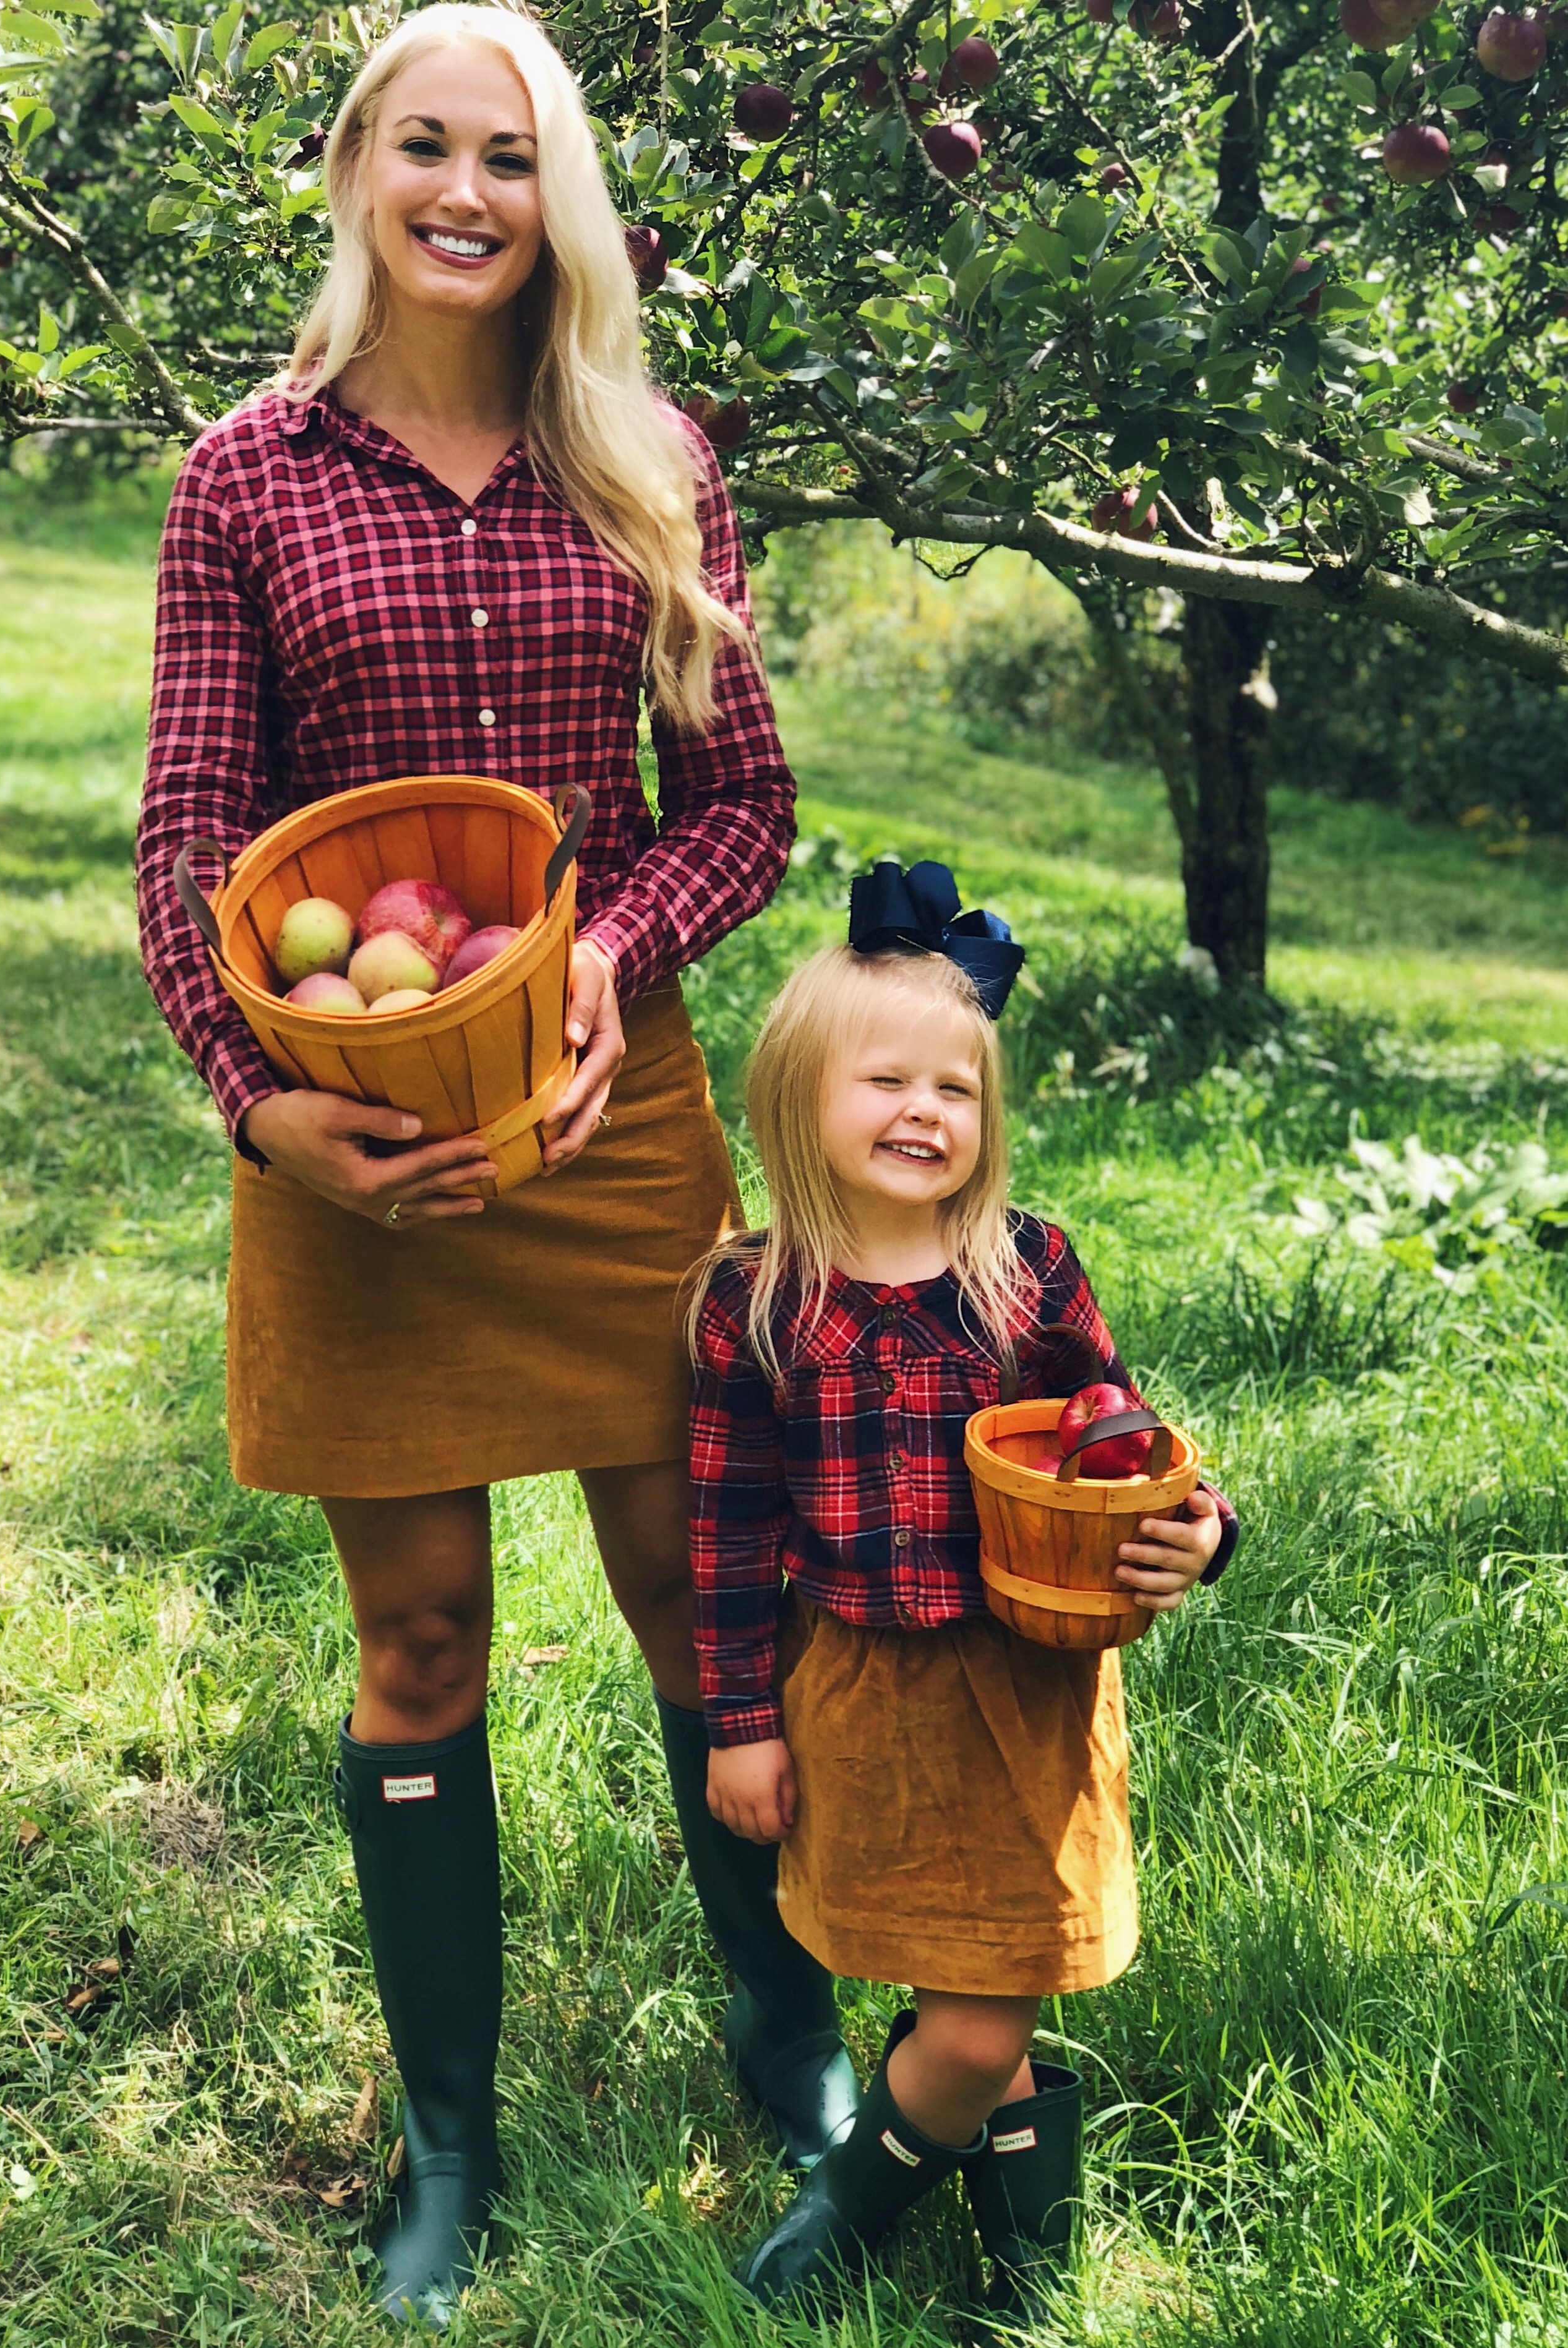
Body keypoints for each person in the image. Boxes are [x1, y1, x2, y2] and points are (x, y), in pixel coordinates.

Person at [134, 3, 857, 2328]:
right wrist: (267, 1112)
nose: (465, 190)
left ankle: (790, 2033)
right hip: (352, 1133)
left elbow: (735, 802)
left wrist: (608, 949)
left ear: (558, 198)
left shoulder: (646, 455)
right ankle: (446, 2140)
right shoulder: (243, 478)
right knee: (416, 1636)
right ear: (354, 169)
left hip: (601, 1109)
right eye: (424, 145)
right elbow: (183, 839)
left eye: (510, 154)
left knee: (700, 1604)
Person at [687, 863, 1240, 2320]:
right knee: (958, 1983)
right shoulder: (756, 1302)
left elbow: (1121, 1446)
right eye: (883, 1078)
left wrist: (1198, 1529)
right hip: (861, 1691)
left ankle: (841, 2210)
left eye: (956, 1086)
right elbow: (728, 1530)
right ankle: (1026, 2273)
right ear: (796, 1096)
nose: (924, 1109)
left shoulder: (1026, 1273)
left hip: (1030, 1689)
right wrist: (739, 1717)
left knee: (990, 1991)